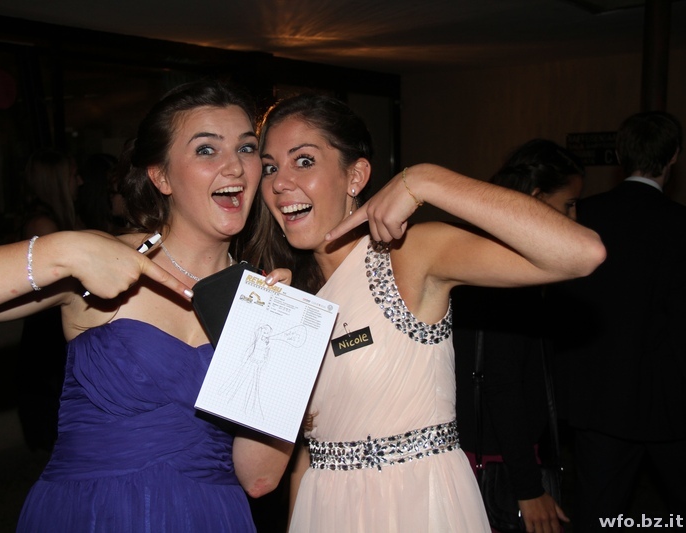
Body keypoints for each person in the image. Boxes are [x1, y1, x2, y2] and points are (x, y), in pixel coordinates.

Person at [0, 79, 293, 532]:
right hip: (93, 514)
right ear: (160, 176)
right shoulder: (101, 259)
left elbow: (259, 478)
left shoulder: (265, 302)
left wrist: (280, 349)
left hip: (209, 517)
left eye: (246, 148)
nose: (234, 166)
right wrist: (62, 251)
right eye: (206, 149)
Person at [245, 93, 606, 532]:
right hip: (324, 512)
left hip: (417, 508)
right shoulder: (287, 298)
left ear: (355, 176)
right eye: (270, 167)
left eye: (303, 161)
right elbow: (284, 466)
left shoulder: (409, 255)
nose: (280, 183)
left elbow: (581, 253)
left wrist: (426, 180)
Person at [549, 111, 686, 532]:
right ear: (674, 157)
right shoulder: (682, 225)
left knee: (598, 516)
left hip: (599, 399)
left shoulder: (583, 216)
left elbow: (561, 307)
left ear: (620, 155)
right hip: (672, 402)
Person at [452, 138, 584, 532]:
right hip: (496, 458)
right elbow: (502, 382)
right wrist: (527, 486)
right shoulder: (507, 269)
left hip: (486, 448)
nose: (574, 217)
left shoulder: (483, 250)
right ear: (537, 199)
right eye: (568, 205)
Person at [16, 148, 85, 453]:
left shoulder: (66, 220)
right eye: (73, 175)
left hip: (58, 329)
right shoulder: (42, 226)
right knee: (50, 422)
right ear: (55, 181)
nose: (80, 182)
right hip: (47, 333)